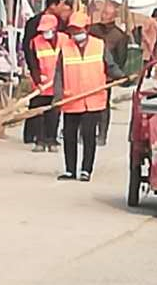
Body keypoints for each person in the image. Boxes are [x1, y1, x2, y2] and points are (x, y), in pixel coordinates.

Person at [52, 11, 124, 182]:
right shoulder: (66, 48)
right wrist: (58, 95)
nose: (75, 34)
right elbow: (59, 74)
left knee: (88, 135)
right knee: (69, 135)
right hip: (71, 99)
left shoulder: (99, 45)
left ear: (86, 28)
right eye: (73, 31)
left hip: (93, 99)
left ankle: (86, 170)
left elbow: (110, 66)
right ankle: (70, 170)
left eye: (78, 30)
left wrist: (122, 77)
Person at [87, 9, 130, 147]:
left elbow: (121, 58)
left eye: (107, 14)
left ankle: (102, 134)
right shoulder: (93, 30)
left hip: (107, 76)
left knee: (103, 106)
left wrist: (115, 74)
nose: (104, 16)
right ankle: (86, 133)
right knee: (86, 105)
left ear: (114, 17)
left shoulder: (119, 36)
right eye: (103, 14)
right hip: (89, 72)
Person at [26, 14, 62, 153]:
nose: (45, 33)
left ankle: (51, 139)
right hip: (41, 84)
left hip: (57, 85)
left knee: (54, 115)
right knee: (38, 115)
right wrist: (37, 81)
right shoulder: (35, 42)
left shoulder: (64, 40)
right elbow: (33, 63)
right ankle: (39, 140)